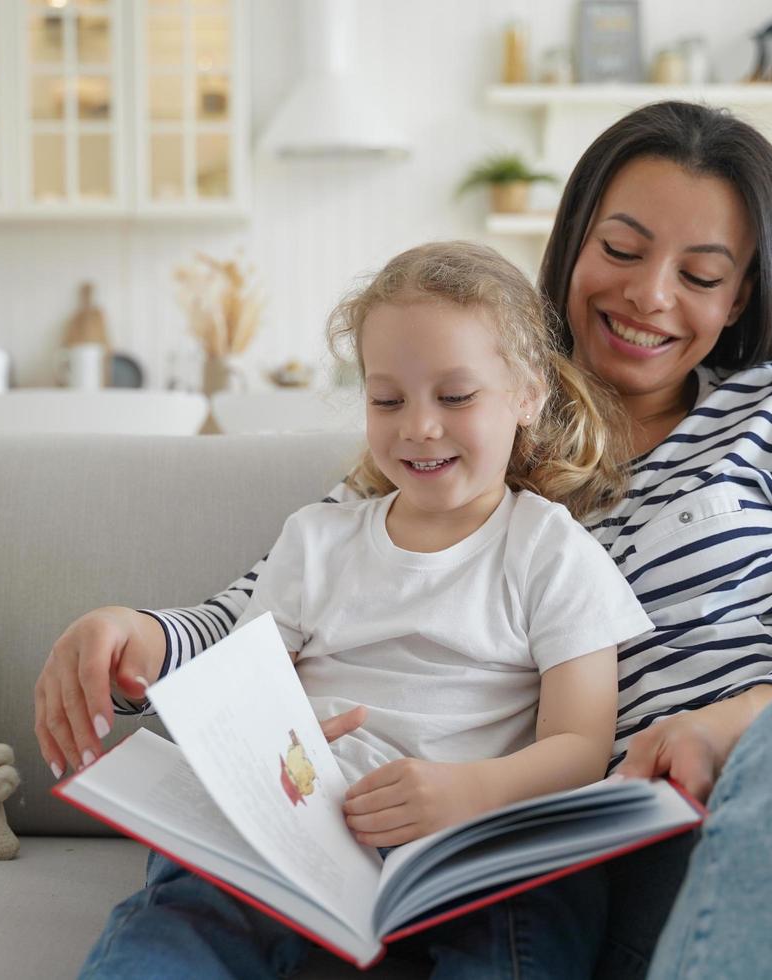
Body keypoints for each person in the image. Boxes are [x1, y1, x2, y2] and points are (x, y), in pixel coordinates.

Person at [38, 102, 772, 979]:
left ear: (738, 298)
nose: (650, 294)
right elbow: (267, 607)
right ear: (573, 244)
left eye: (701, 273)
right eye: (625, 247)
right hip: (659, 865)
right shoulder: (470, 436)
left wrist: (731, 723)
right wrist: (141, 630)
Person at [78, 241, 655, 977]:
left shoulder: (550, 550)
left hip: (467, 844)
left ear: (527, 396)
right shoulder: (317, 540)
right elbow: (248, 698)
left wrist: (465, 793)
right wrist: (274, 747)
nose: (418, 426)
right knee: (183, 918)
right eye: (388, 400)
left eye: (455, 396)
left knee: (535, 913)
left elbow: (580, 747)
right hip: (307, 830)